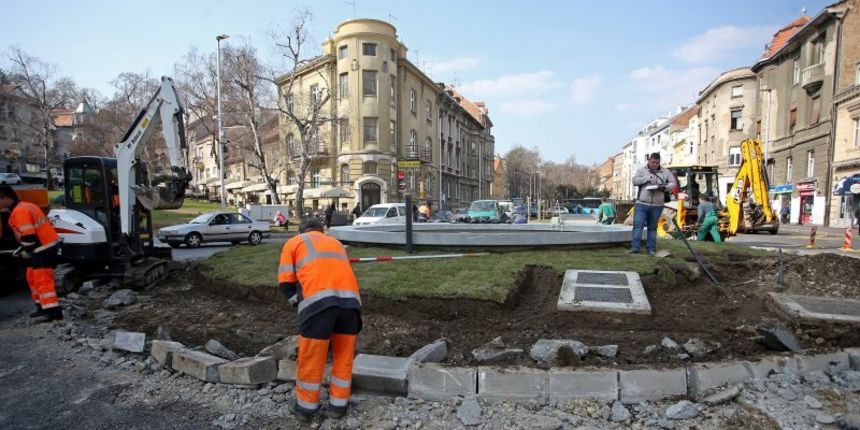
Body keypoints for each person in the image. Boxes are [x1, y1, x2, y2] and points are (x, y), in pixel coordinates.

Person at [278, 219, 362, 421]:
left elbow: (286, 282)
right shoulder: (336, 243)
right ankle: (338, 407)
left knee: (311, 358)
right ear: (321, 230)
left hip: (319, 306)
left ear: (301, 231)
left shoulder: (295, 242)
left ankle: (305, 408)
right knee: (343, 356)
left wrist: (298, 302)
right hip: (351, 305)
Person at [0, 185, 63, 322]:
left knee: (42, 280)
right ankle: (41, 306)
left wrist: (26, 251)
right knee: (31, 276)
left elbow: (29, 238)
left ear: (4, 199)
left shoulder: (20, 211)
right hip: (44, 246)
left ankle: (53, 312)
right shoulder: (24, 207)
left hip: (43, 248)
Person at [630, 152, 676, 256]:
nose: (655, 164)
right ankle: (635, 248)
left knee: (652, 228)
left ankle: (651, 249)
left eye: (657, 162)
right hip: (642, 203)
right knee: (638, 226)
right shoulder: (642, 170)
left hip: (657, 205)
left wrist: (665, 187)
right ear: (649, 160)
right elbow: (635, 181)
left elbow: (673, 183)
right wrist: (647, 178)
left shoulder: (665, 171)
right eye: (653, 162)